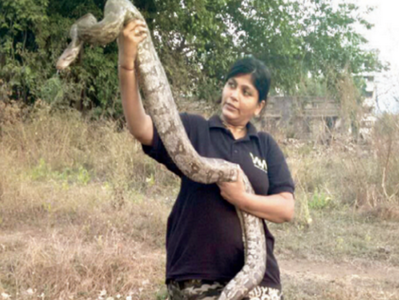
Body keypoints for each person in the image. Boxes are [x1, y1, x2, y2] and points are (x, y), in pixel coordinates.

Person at [118, 20, 295, 300]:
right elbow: (140, 127)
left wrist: (243, 199)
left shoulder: (265, 145)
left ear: (259, 106)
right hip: (197, 275)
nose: (234, 95)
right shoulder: (193, 129)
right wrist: (127, 64)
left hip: (259, 282)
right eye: (231, 85)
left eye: (246, 92)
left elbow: (286, 209)